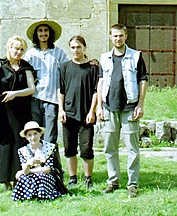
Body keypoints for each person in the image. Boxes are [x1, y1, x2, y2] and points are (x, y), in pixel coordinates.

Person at [96, 23, 147, 198]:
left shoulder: (136, 56)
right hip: (109, 107)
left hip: (130, 107)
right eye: (114, 36)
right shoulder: (104, 58)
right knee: (110, 147)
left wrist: (140, 104)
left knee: (132, 148)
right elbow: (101, 82)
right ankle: (113, 181)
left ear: (126, 36)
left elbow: (142, 81)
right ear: (110, 37)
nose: (118, 39)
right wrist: (99, 107)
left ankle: (132, 184)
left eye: (121, 35)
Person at [0, 36, 36, 191]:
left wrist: (15, 94)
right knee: (4, 143)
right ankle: (5, 180)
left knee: (19, 143)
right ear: (9, 48)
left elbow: (32, 89)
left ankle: (19, 178)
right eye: (15, 48)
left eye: (21, 49)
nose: (18, 52)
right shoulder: (0, 66)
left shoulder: (26, 67)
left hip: (20, 111)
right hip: (2, 111)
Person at [58, 35, 99, 190]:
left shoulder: (93, 67)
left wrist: (92, 111)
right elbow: (60, 90)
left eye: (79, 47)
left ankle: (88, 178)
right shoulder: (65, 67)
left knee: (87, 148)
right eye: (73, 47)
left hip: (86, 115)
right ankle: (73, 178)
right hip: (68, 113)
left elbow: (96, 91)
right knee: (69, 148)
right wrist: (61, 109)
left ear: (84, 48)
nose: (76, 50)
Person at [24, 19, 67, 145]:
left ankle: (52, 164)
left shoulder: (58, 53)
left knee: (50, 137)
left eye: (46, 30)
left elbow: (68, 69)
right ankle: (36, 164)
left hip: (51, 99)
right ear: (36, 34)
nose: (43, 33)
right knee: (34, 136)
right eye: (40, 31)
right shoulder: (31, 54)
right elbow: (20, 69)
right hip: (34, 99)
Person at [11, 121, 64, 201]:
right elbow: (25, 170)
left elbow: (47, 169)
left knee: (41, 177)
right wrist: (28, 164)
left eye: (35, 133)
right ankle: (28, 196)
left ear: (40, 134)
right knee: (23, 178)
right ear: (26, 137)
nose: (33, 137)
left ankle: (42, 196)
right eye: (29, 135)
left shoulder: (49, 148)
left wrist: (28, 171)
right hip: (31, 174)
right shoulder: (23, 151)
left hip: (48, 175)